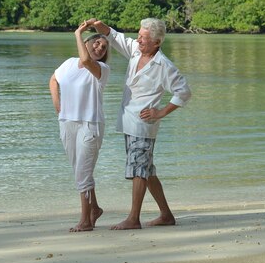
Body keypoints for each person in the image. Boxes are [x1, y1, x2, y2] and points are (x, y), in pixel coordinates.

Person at [88, 17, 191, 230]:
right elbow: (116, 37)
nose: (139, 39)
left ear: (157, 42)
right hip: (129, 120)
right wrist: (100, 27)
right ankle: (166, 215)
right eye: (139, 35)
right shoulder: (136, 51)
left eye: (144, 37)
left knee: (138, 170)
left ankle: (133, 218)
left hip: (145, 124)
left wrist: (161, 112)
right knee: (146, 170)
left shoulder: (164, 65)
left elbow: (184, 91)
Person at [49, 22, 109, 232]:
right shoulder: (68, 63)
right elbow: (54, 79)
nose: (100, 48)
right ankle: (95, 209)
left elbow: (85, 59)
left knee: (83, 173)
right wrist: (58, 104)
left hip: (90, 125)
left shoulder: (101, 69)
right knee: (80, 171)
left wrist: (77, 32)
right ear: (87, 43)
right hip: (67, 123)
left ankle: (85, 221)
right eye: (96, 43)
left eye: (103, 47)